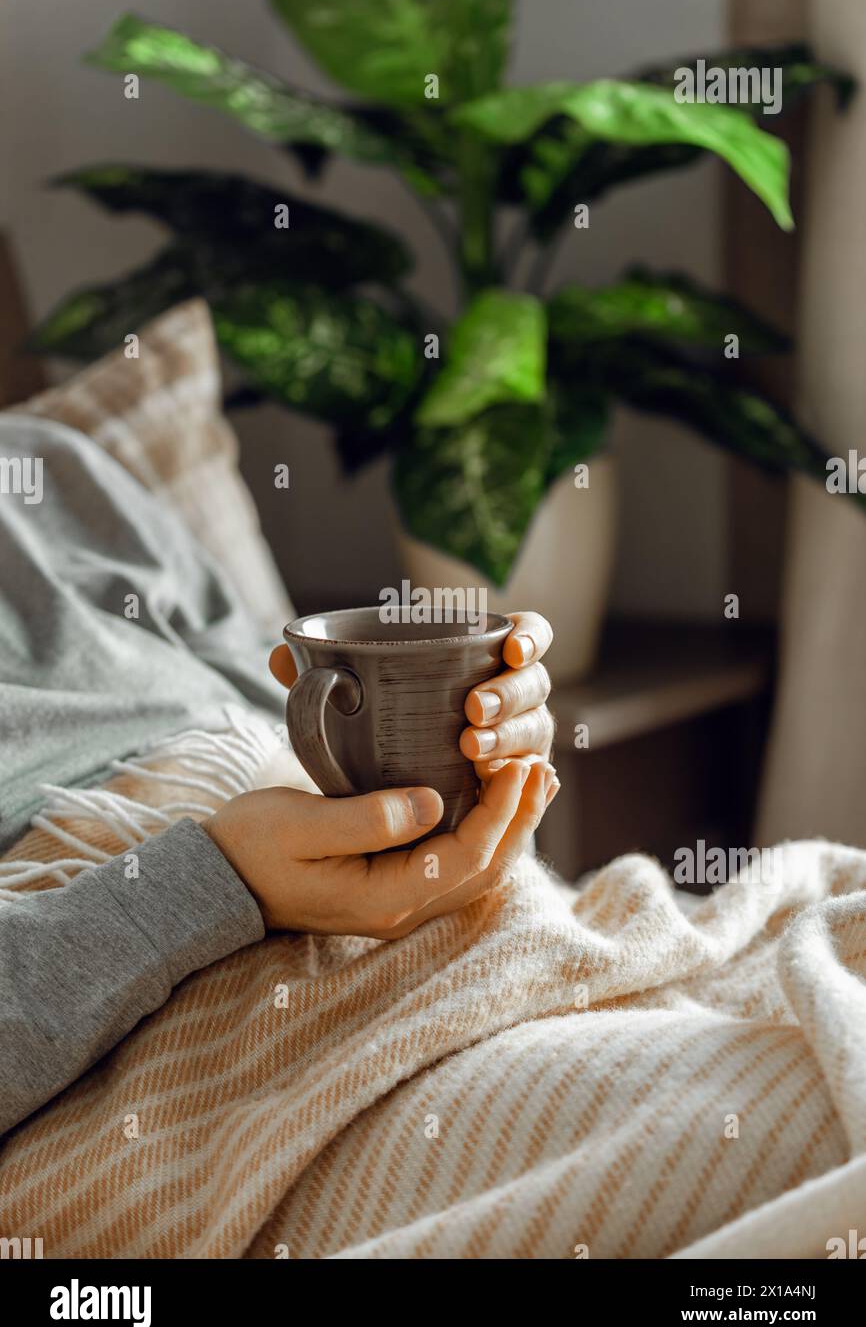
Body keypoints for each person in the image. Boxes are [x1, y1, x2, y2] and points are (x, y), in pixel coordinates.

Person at [0, 414, 556, 1137]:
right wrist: (217, 882)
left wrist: (483, 749)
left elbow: (305, 705)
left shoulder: (50, 465)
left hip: (336, 851)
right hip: (140, 984)